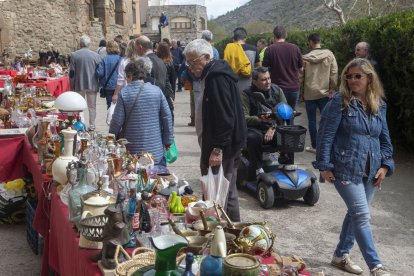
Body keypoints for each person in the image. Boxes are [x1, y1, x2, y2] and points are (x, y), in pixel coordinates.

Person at [315, 58, 394, 276]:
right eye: (348, 76)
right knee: (361, 214)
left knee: (355, 213)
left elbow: (385, 140)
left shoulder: (379, 104)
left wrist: (385, 166)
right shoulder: (339, 102)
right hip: (344, 168)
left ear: (369, 78)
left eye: (357, 76)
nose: (352, 80)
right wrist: (324, 165)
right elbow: (325, 135)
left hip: (371, 171)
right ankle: (376, 266)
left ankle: (340, 255)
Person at [183, 39, 247, 222]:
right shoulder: (214, 74)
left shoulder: (216, 78)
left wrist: (217, 149)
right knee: (228, 190)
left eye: (193, 62)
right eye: (188, 62)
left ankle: (217, 235)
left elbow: (225, 116)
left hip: (221, 146)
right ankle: (233, 230)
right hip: (225, 144)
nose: (190, 67)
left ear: (207, 57)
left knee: (216, 196)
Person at [109, 58, 173, 166]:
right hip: (155, 149)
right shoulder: (157, 91)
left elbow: (117, 121)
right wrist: (168, 140)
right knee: (156, 178)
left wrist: (111, 138)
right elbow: (167, 116)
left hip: (134, 149)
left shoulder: (125, 93)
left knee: (136, 175)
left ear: (129, 75)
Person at [242, 66, 287, 176]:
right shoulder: (246, 94)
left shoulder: (277, 90)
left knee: (289, 134)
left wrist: (273, 127)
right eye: (263, 79)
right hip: (254, 127)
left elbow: (285, 112)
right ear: (255, 82)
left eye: (269, 78)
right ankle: (258, 169)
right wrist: (259, 119)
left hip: (273, 126)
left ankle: (286, 163)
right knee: (254, 138)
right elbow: (244, 117)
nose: (268, 82)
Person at [300, 33, 338, 153]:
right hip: (325, 93)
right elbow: (334, 72)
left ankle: (315, 146)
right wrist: (332, 88)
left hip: (309, 93)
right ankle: (326, 146)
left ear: (311, 42)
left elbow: (300, 76)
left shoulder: (305, 57)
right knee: (326, 120)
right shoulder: (329, 55)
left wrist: (301, 91)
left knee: (311, 120)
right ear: (319, 41)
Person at [263, 26, 303, 111]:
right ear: (286, 35)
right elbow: (301, 69)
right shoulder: (295, 48)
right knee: (291, 114)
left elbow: (264, 71)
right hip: (293, 88)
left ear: (273, 36)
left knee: (278, 116)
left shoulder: (269, 49)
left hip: (276, 89)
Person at [69, 35, 101, 131]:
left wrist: (71, 86)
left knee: (79, 106)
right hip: (92, 84)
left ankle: (80, 124)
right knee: (92, 106)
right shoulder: (96, 56)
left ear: (81, 44)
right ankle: (92, 125)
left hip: (79, 84)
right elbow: (100, 71)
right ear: (89, 44)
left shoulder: (74, 55)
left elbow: (72, 73)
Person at [135, 35, 174, 116]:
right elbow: (167, 83)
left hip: (151, 107)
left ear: (140, 47)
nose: (135, 51)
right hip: (162, 103)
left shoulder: (143, 62)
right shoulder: (160, 61)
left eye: (135, 48)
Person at [224, 27, 260, 93]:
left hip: (232, 85)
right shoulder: (254, 49)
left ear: (233, 38)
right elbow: (258, 66)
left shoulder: (229, 49)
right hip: (249, 85)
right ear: (245, 38)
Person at [96, 40, 121, 109]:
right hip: (119, 86)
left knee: (110, 107)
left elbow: (99, 73)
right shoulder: (121, 59)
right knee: (119, 107)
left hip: (108, 86)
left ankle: (110, 119)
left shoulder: (104, 59)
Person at [112, 39, 138, 104]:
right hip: (141, 91)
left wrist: (115, 94)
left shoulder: (124, 61)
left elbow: (121, 79)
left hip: (127, 91)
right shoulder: (142, 60)